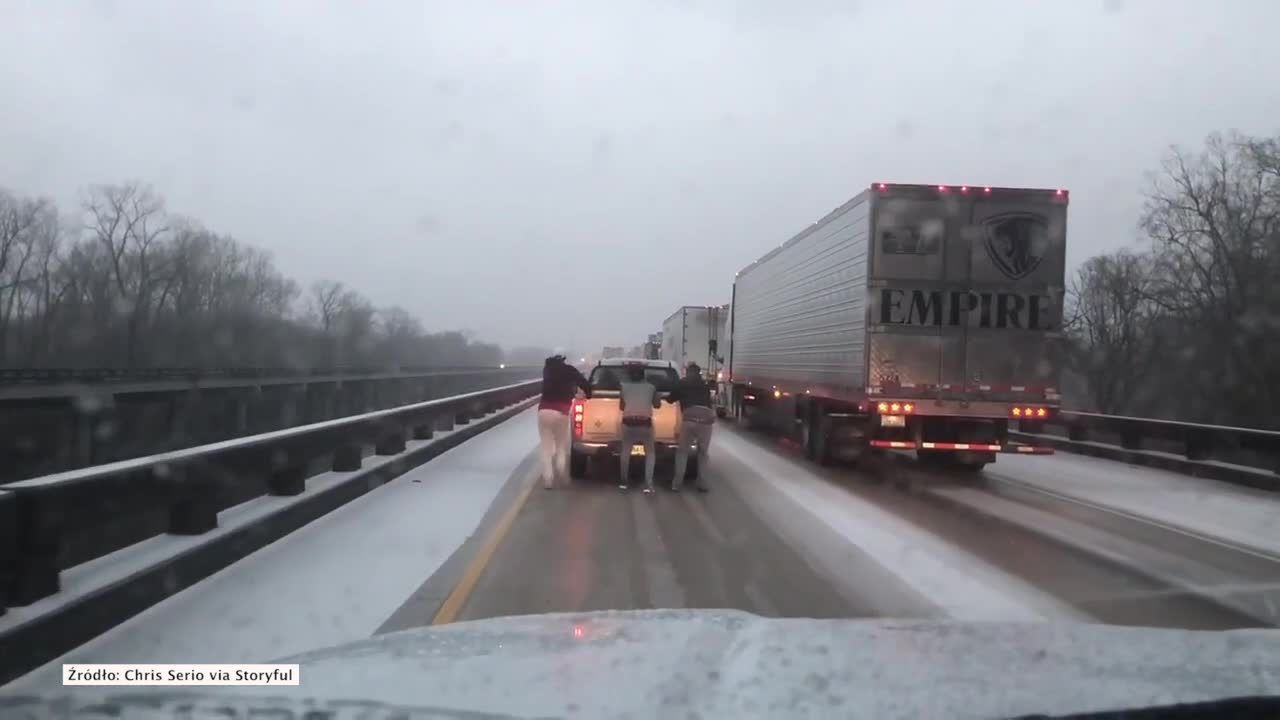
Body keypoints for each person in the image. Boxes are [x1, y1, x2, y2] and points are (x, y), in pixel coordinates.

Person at [537, 348, 590, 489]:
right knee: (561, 445)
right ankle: (561, 470)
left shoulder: (547, 370)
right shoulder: (569, 370)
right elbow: (583, 383)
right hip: (561, 412)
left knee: (546, 447)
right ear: (563, 358)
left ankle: (548, 479)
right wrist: (589, 393)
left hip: (544, 411)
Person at [668, 362, 715, 492]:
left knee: (683, 451)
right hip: (706, 419)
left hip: (690, 418)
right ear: (699, 373)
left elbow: (670, 399)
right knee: (703, 453)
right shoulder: (704, 385)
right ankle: (702, 484)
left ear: (688, 372)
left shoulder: (683, 383)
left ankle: (676, 484)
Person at [618, 363, 661, 493]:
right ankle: (648, 485)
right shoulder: (651, 387)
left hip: (628, 423)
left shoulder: (623, 386)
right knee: (651, 454)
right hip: (645, 425)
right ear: (644, 374)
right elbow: (657, 405)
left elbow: (621, 407)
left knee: (625, 452)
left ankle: (624, 482)